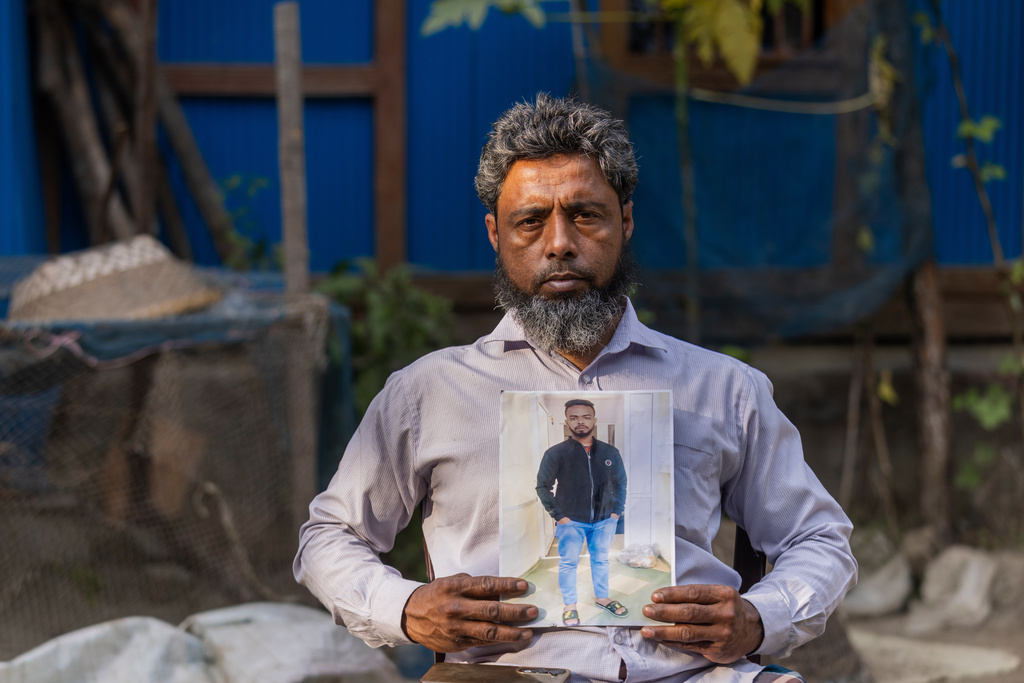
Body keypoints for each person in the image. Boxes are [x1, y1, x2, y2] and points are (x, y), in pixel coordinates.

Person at [295, 94, 857, 682]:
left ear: (627, 221)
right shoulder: (427, 393)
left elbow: (819, 538)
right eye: (530, 220)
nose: (559, 242)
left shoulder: (724, 388)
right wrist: (407, 609)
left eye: (585, 214)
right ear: (495, 233)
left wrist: (758, 618)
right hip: (507, 675)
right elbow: (329, 537)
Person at [536, 399, 628, 626]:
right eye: (574, 417)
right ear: (566, 421)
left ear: (594, 420)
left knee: (601, 561)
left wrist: (616, 512)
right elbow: (542, 487)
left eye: (586, 417)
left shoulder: (610, 452)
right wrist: (559, 515)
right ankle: (570, 605)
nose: (580, 422)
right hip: (571, 521)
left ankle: (602, 598)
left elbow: (621, 483)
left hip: (605, 520)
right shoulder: (555, 453)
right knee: (568, 563)